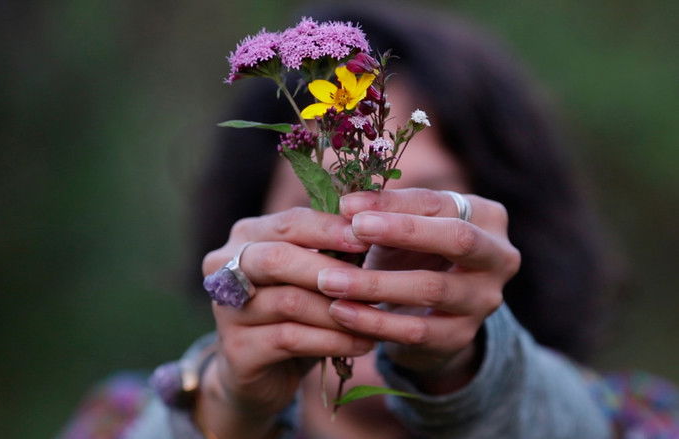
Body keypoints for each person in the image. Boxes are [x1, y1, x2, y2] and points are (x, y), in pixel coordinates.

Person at [60, 3, 679, 438]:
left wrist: (466, 372)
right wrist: (228, 411)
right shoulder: (119, 420)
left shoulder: (638, 419)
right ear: (247, 234)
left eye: (426, 205)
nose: (369, 241)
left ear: (501, 233)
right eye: (320, 197)